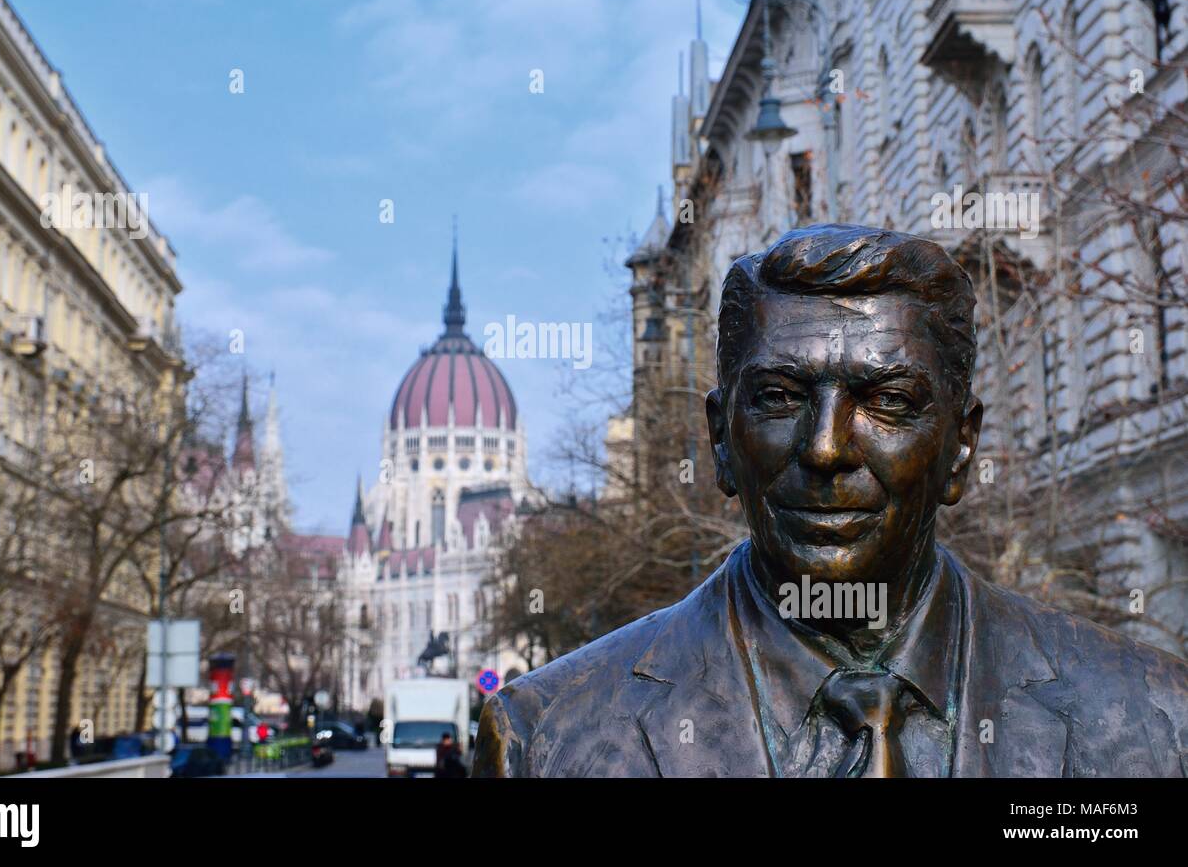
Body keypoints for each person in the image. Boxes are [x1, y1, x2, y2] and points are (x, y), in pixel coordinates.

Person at [473, 224, 1188, 778]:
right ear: (721, 440)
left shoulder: (1153, 718)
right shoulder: (548, 736)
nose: (824, 448)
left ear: (960, 448)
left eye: (889, 401)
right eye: (779, 398)